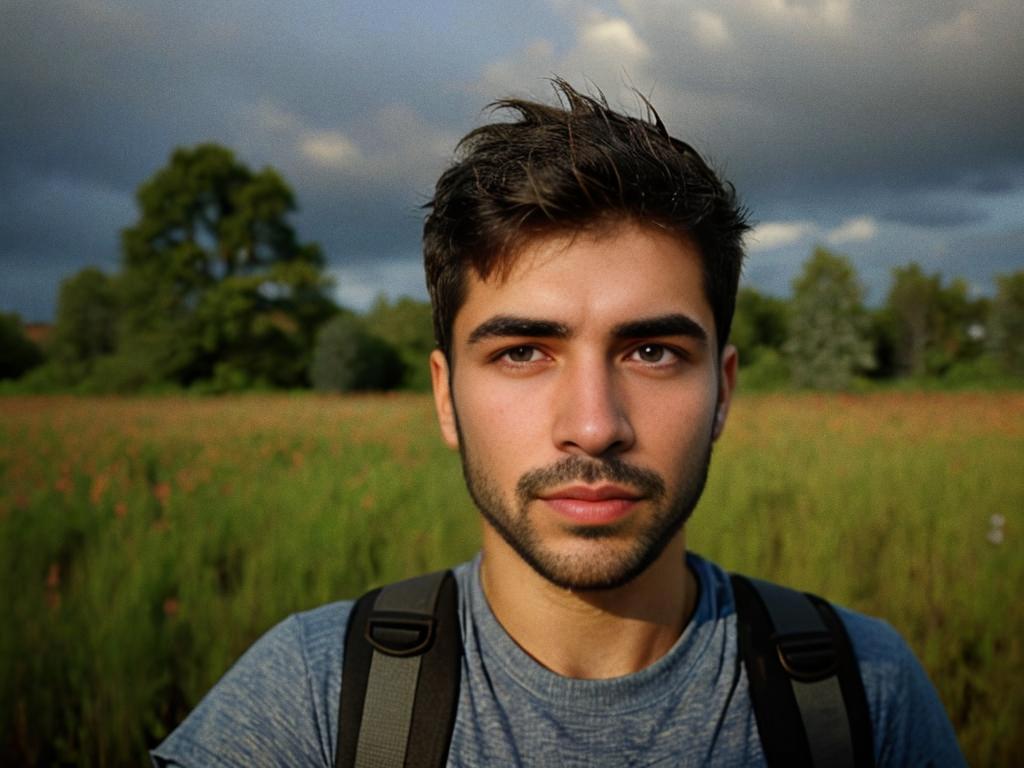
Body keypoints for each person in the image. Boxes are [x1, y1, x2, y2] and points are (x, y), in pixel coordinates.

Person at [151, 79, 964, 767]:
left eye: (651, 352)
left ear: (723, 391)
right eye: (522, 353)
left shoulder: (863, 693)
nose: (593, 426)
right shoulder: (313, 700)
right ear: (444, 397)